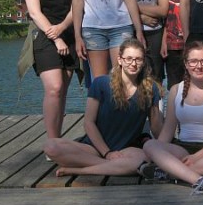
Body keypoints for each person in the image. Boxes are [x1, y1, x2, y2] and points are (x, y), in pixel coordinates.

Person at [44, 38, 163, 177]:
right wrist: (107, 153)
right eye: (129, 59)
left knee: (145, 158)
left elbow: (156, 126)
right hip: (94, 148)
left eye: (138, 59)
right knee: (50, 147)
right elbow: (89, 123)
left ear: (143, 62)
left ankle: (79, 170)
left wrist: (166, 148)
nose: (133, 63)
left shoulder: (150, 88)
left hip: (126, 150)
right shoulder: (101, 83)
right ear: (120, 60)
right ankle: (115, 166)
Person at [141, 41, 203, 195]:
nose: (199, 66)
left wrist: (196, 157)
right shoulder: (175, 90)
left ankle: (169, 173)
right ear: (186, 64)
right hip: (182, 149)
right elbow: (168, 130)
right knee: (150, 145)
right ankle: (199, 180)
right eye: (193, 61)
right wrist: (157, 152)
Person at [22, 0, 80, 139]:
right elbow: (34, 12)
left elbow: (76, 7)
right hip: (45, 38)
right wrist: (55, 37)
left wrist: (62, 28)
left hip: (68, 35)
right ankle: (52, 141)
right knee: (54, 88)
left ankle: (58, 138)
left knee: (62, 92)